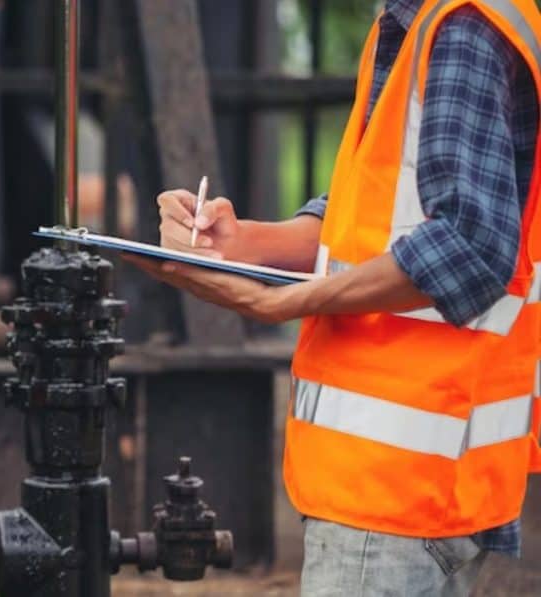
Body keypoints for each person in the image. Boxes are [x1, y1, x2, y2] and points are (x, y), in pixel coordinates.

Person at [126, 1, 541, 595]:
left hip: (396, 489)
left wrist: (288, 304)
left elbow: (468, 246)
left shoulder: (460, 28)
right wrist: (246, 242)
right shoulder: (415, 25)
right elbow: (376, 219)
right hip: (404, 486)